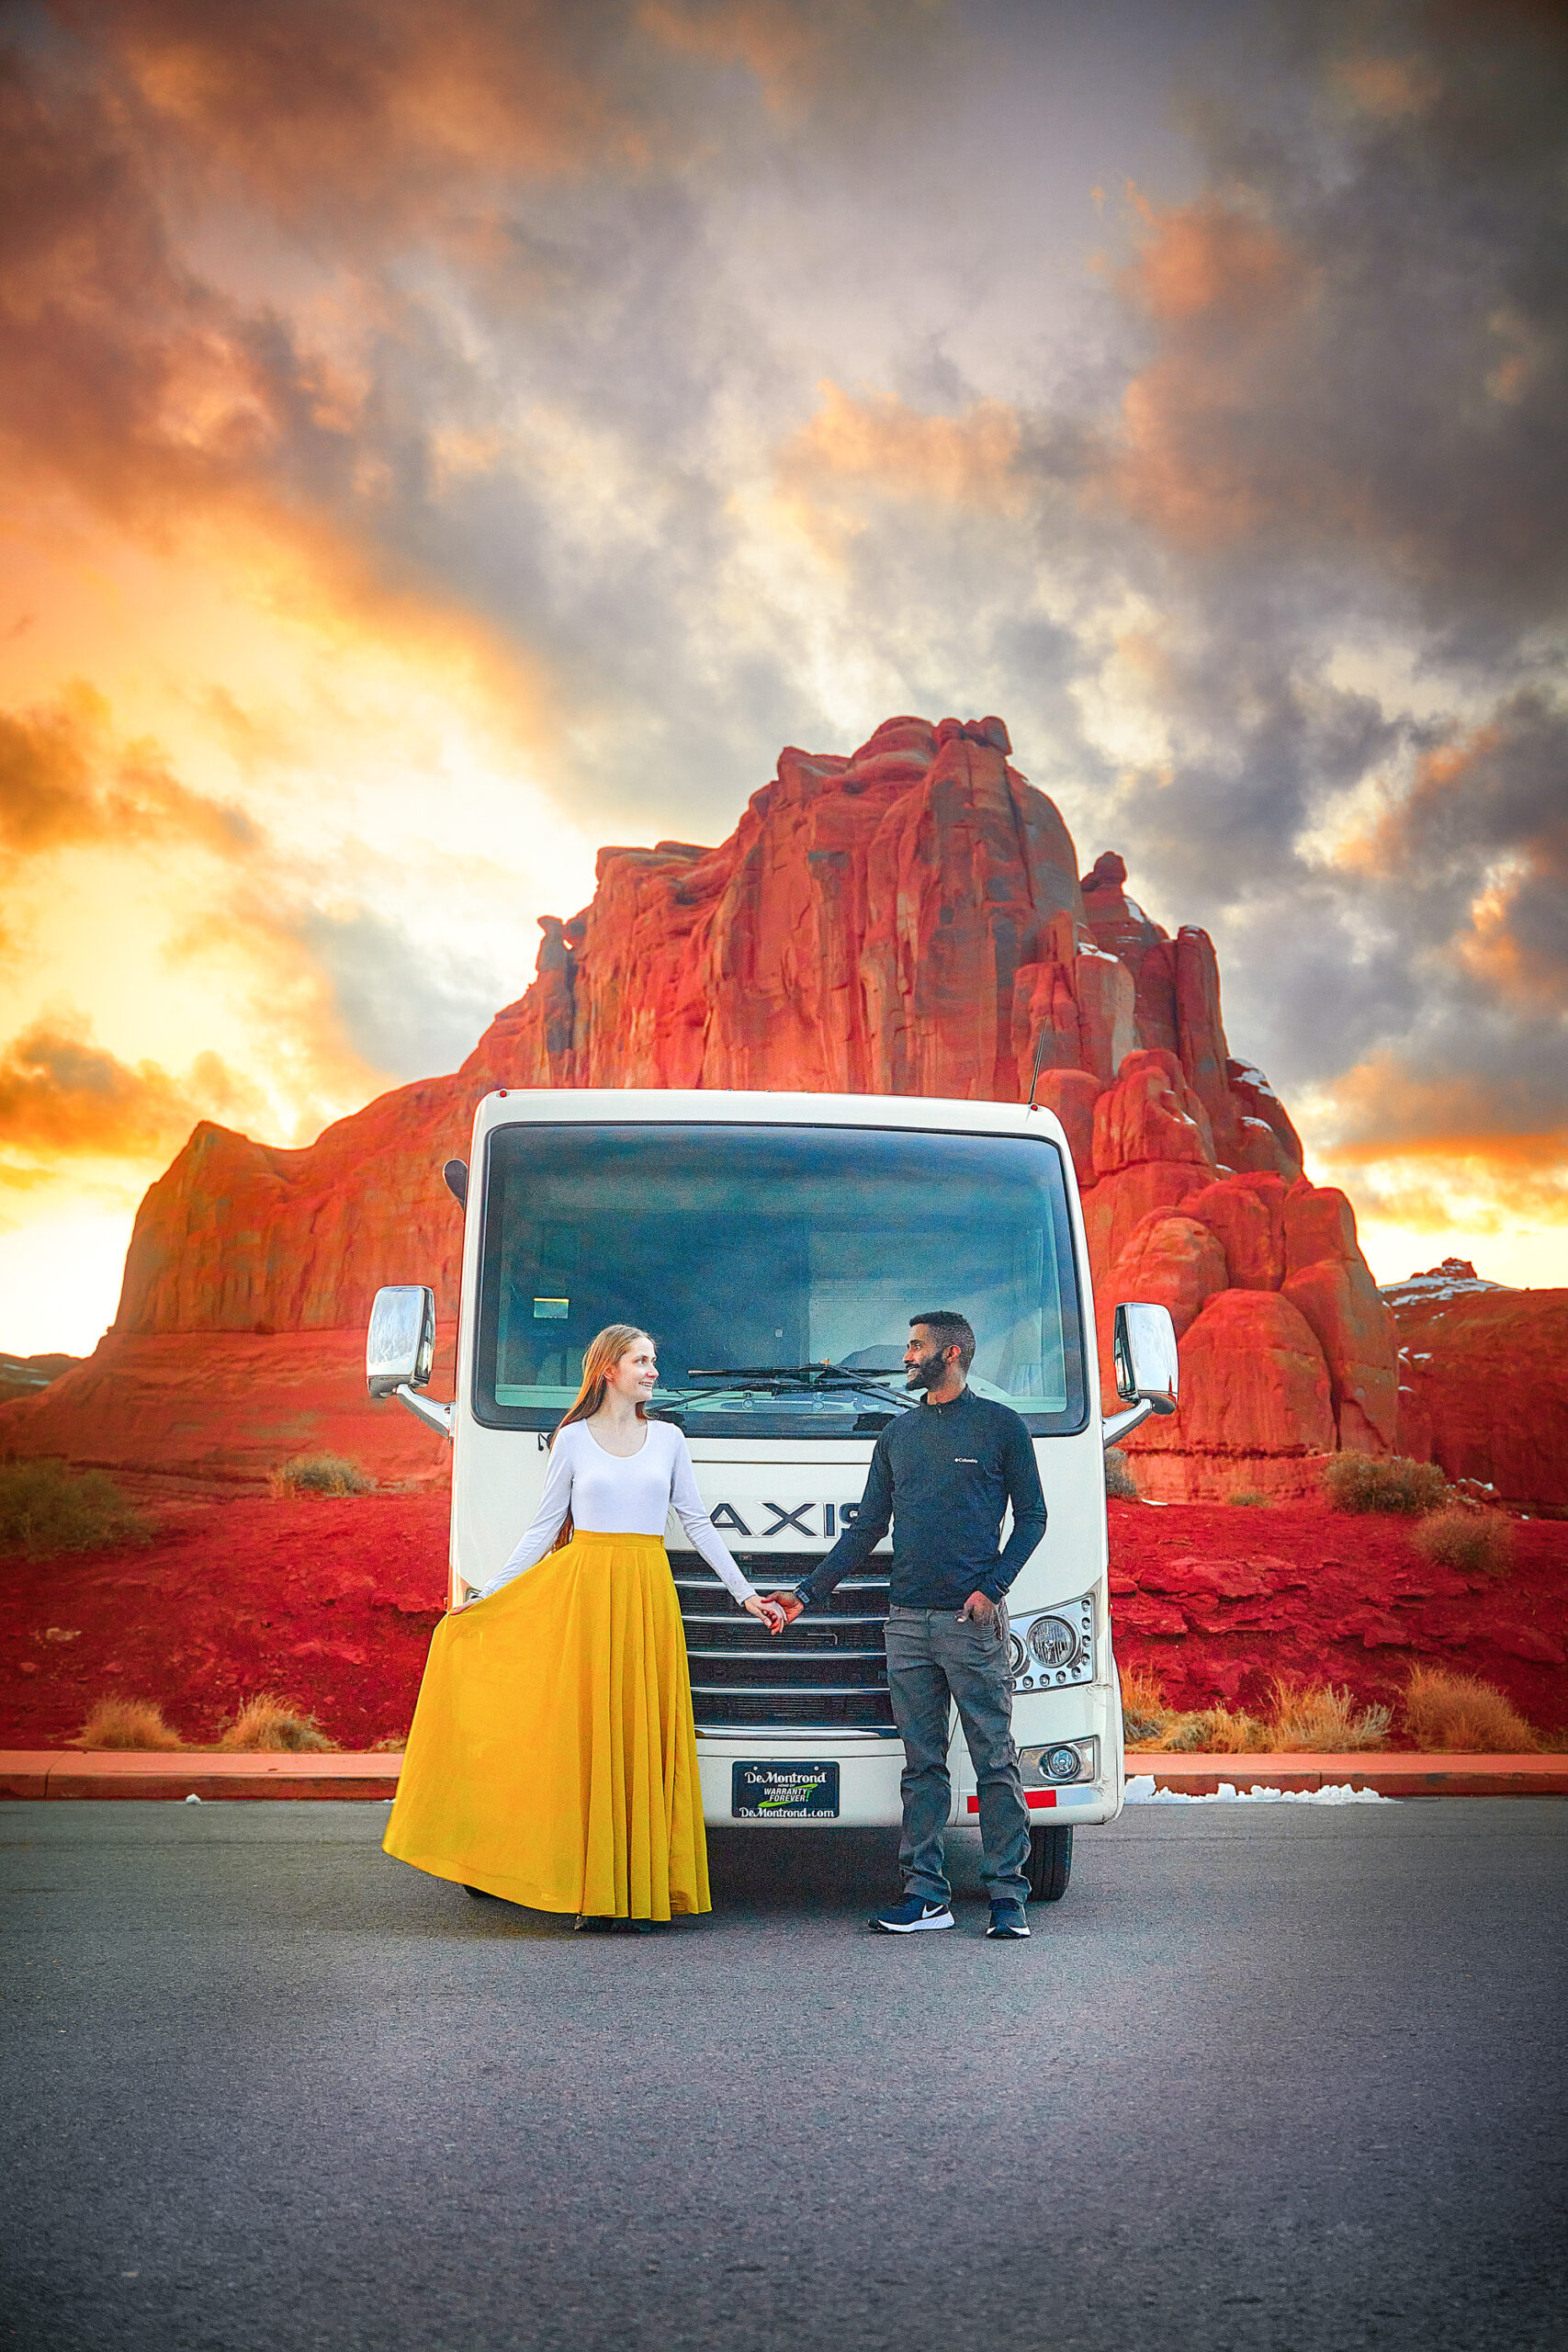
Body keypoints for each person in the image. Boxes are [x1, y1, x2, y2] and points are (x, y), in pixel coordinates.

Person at [385, 1324, 784, 1928]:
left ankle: (638, 1889)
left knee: (639, 1734)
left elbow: (696, 1523)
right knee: (591, 1736)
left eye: (653, 1360)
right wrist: (490, 1595)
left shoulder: (669, 1438)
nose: (652, 1371)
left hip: (647, 1591)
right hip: (586, 1591)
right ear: (607, 1369)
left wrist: (745, 1594)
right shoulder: (570, 1440)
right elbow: (543, 1529)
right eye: (641, 1361)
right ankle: (590, 1890)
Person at [767, 1311, 1045, 1939]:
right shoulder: (898, 1434)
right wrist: (805, 1594)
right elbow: (867, 1528)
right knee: (922, 1766)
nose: (906, 1354)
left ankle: (1007, 1896)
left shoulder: (1000, 1427)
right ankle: (925, 1895)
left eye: (915, 1346)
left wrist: (990, 1590)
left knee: (994, 1760)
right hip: (905, 1624)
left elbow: (1031, 1518)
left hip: (969, 1624)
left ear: (949, 1353)